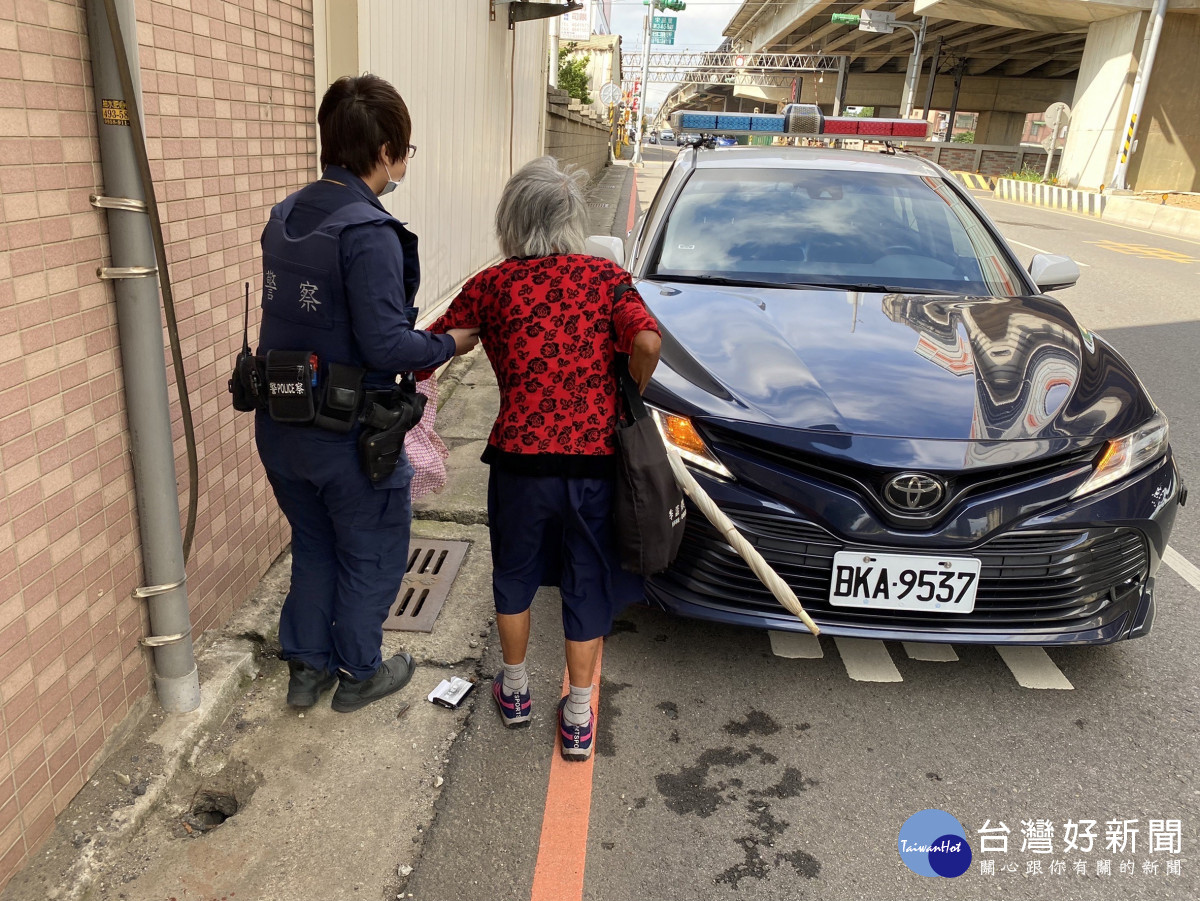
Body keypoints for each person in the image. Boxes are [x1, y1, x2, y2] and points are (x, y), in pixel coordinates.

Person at [253, 74, 479, 713]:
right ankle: (359, 672)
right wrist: (449, 345)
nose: (404, 161)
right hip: (350, 438)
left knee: (315, 543)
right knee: (372, 551)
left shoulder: (286, 216)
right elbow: (386, 346)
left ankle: (306, 668)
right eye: (404, 149)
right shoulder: (368, 233)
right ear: (385, 150)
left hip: (280, 421)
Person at [425, 156, 662, 760]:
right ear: (573, 219)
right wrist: (629, 386)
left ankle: (516, 690)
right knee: (587, 580)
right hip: (590, 465)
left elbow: (437, 344)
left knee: (514, 575)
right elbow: (647, 340)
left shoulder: (492, 284)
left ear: (512, 219)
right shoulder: (606, 279)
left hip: (519, 463)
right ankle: (579, 717)